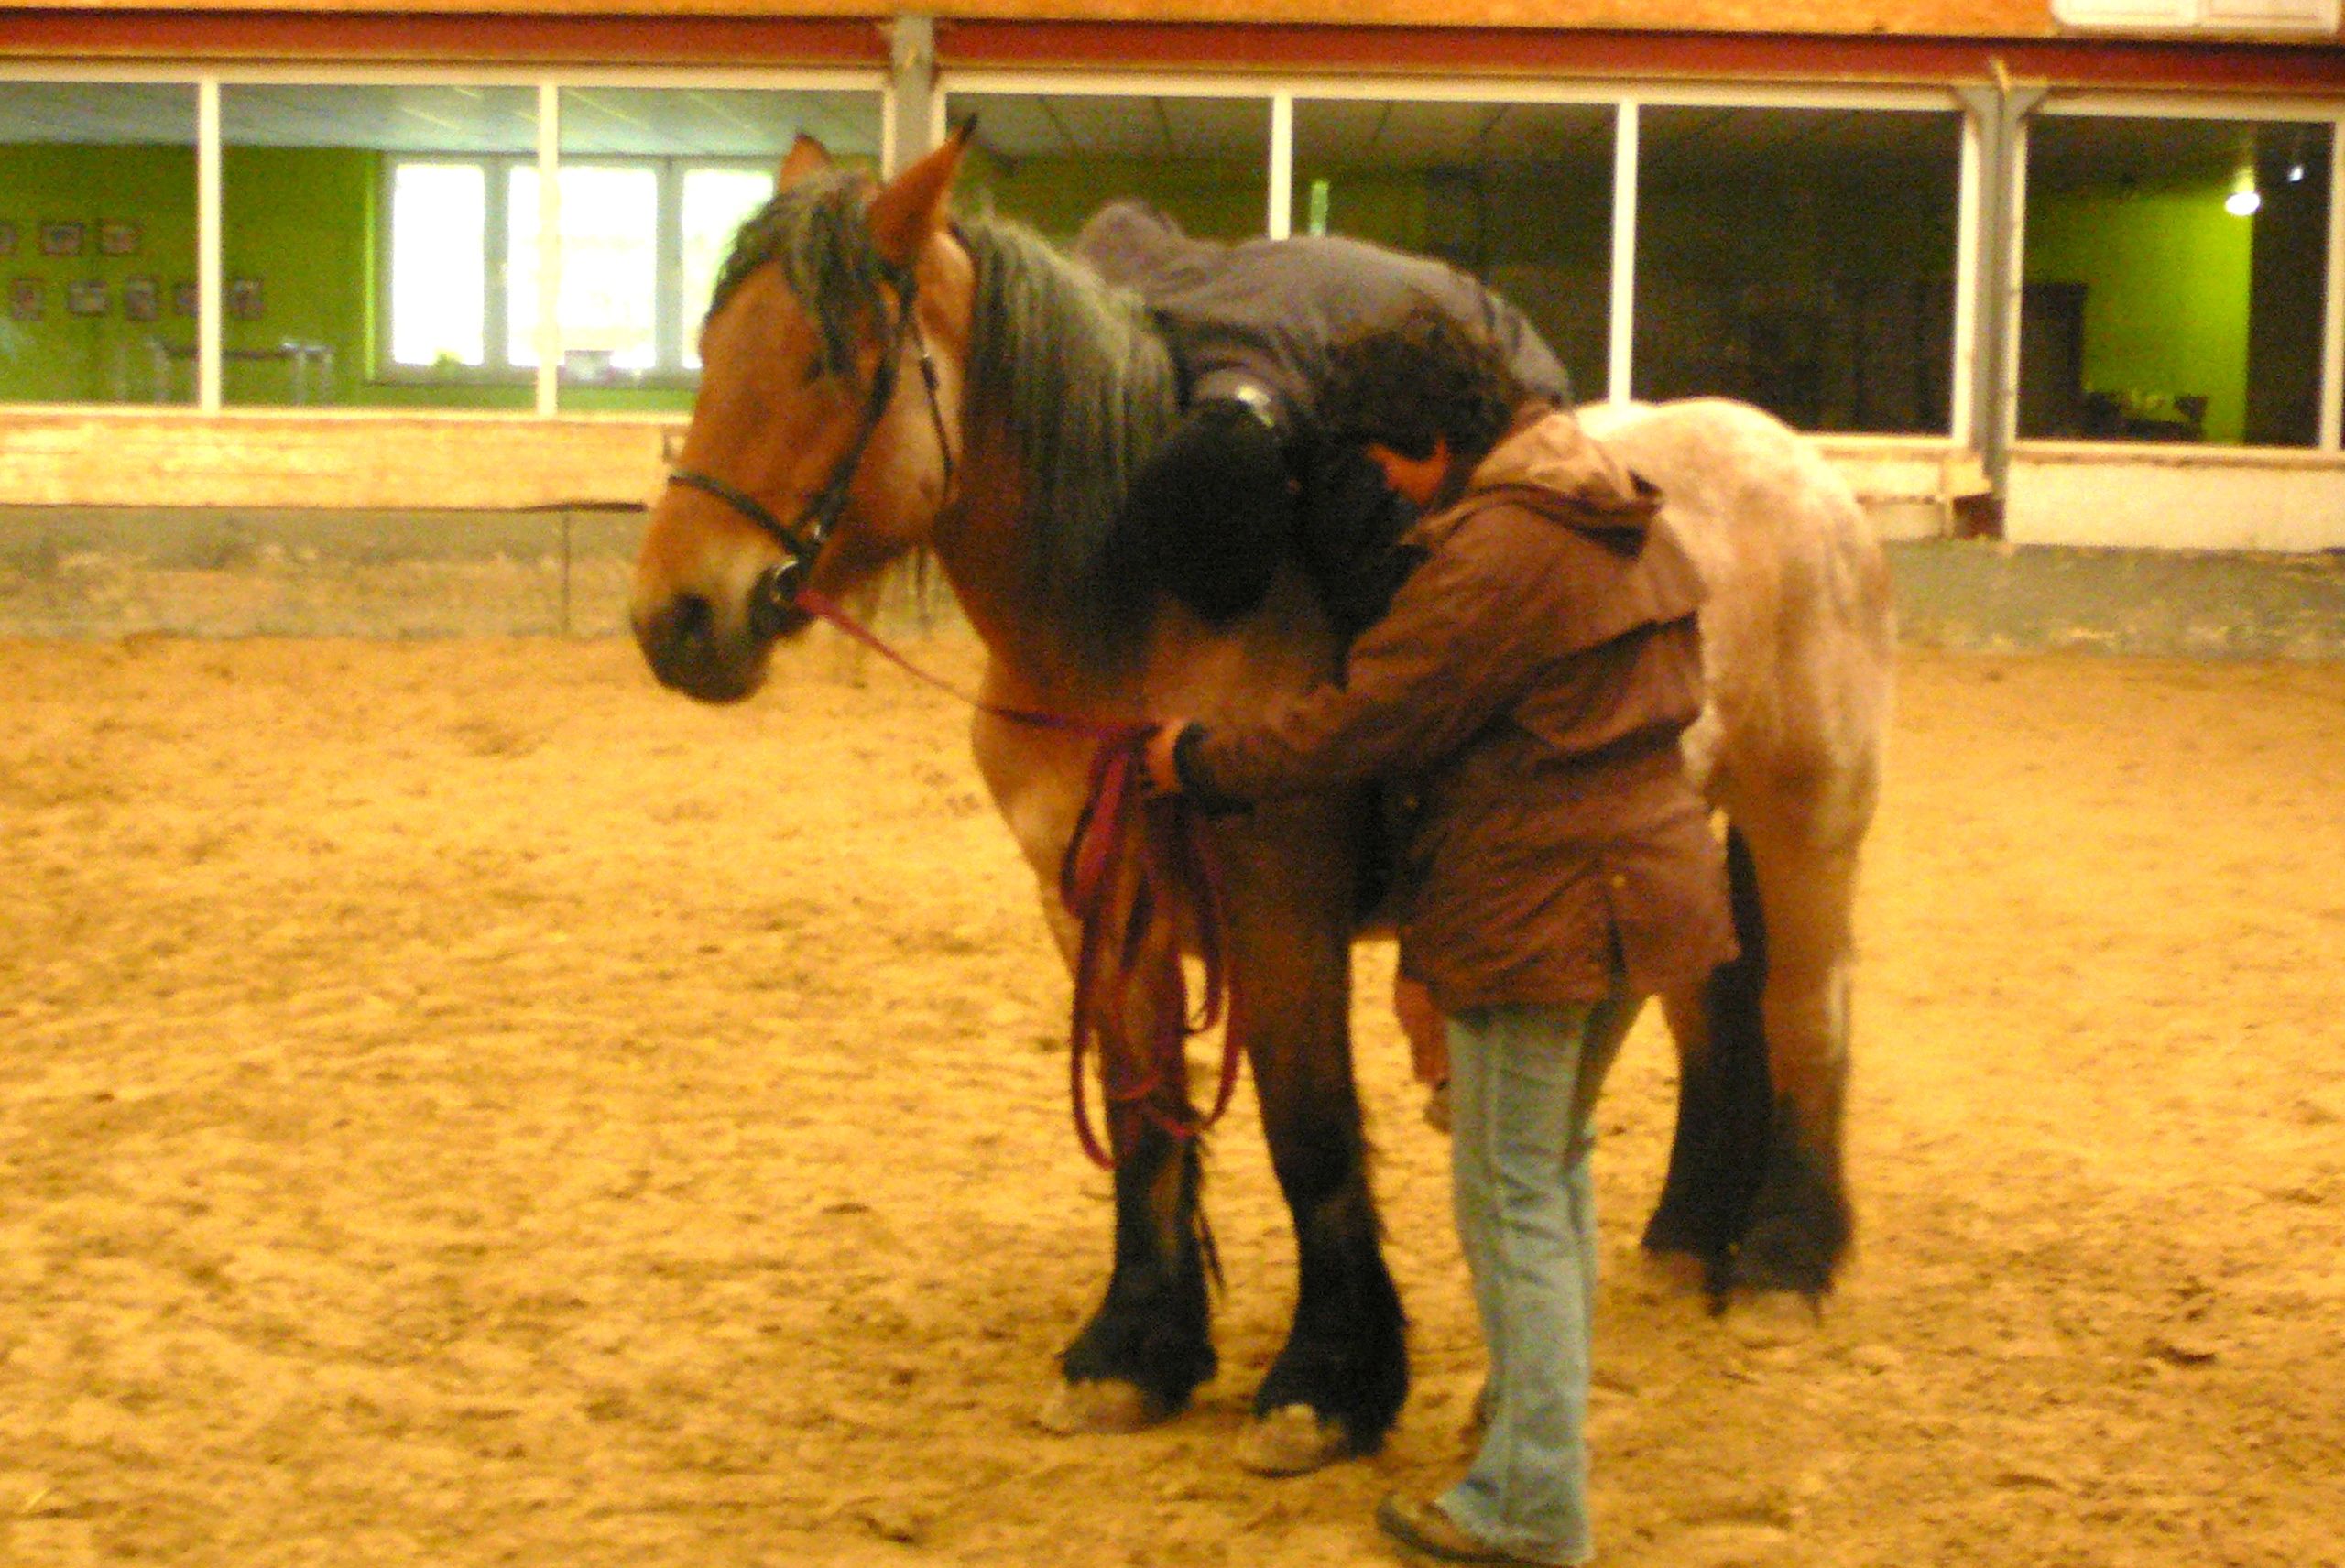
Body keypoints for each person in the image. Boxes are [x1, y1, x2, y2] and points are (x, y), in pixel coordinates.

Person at [1142, 304, 1734, 1568]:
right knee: (1551, 1173)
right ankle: (1528, 1431)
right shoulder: (1614, 506)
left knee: (1510, 1196)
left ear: (1427, 438)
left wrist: (1201, 761)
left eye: (1385, 460)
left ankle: (1530, 1501)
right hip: (1649, 888)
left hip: (1540, 907)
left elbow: (1366, 721)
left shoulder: (1489, 554)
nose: (1386, 488)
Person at [1073, 199, 1572, 637]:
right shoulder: (1213, 274)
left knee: (1373, 569)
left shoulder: (1209, 342)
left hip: (1508, 390)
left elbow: (1232, 457)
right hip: (1504, 359)